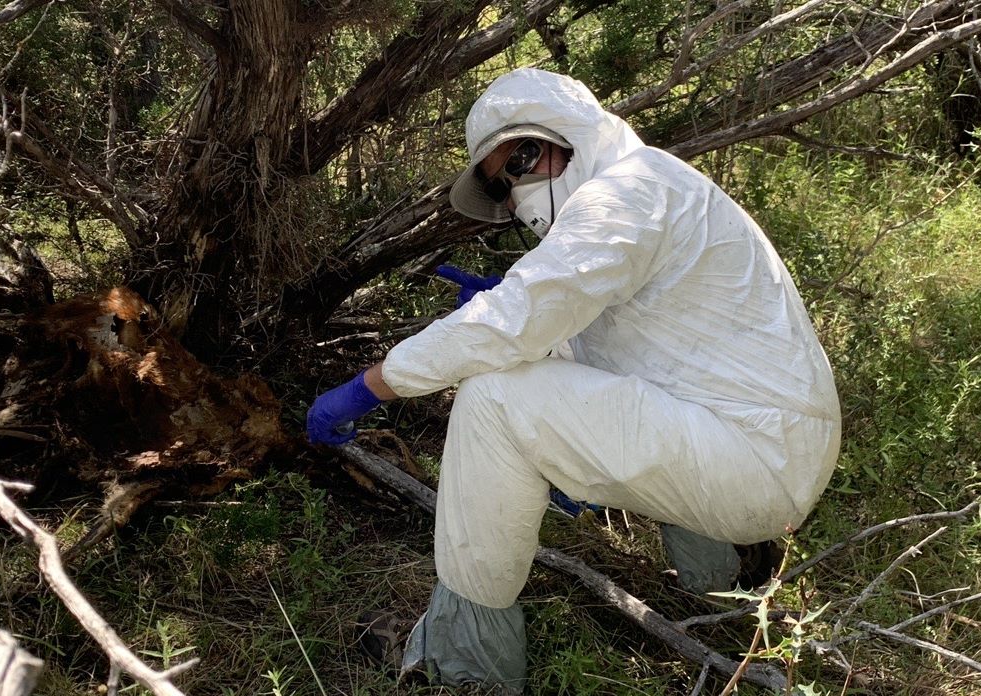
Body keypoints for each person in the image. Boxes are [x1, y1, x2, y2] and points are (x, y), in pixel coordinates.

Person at [306, 68, 841, 693]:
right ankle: (728, 573)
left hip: (753, 458)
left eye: (525, 157)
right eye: (503, 184)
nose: (518, 191)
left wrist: (370, 384)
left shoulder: (631, 189)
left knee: (493, 400)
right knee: (529, 381)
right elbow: (600, 346)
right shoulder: (659, 188)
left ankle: (460, 666)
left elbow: (518, 323)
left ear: (576, 137)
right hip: (762, 449)